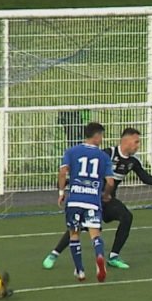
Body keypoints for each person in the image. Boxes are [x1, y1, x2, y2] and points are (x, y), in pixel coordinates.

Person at [43, 127, 152, 271]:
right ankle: (54, 254)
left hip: (107, 201)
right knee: (78, 226)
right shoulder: (107, 154)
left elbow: (145, 178)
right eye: (136, 142)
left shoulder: (133, 161)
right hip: (92, 198)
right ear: (126, 140)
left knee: (126, 217)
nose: (138, 145)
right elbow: (87, 172)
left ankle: (113, 256)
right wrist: (67, 182)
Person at [58, 121, 115, 282]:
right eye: (102, 136)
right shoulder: (103, 157)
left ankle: (80, 270)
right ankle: (99, 258)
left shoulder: (72, 151)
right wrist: (106, 195)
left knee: (74, 234)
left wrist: (62, 192)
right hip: (92, 201)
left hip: (75, 200)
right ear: (97, 137)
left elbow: (63, 172)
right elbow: (110, 182)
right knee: (95, 234)